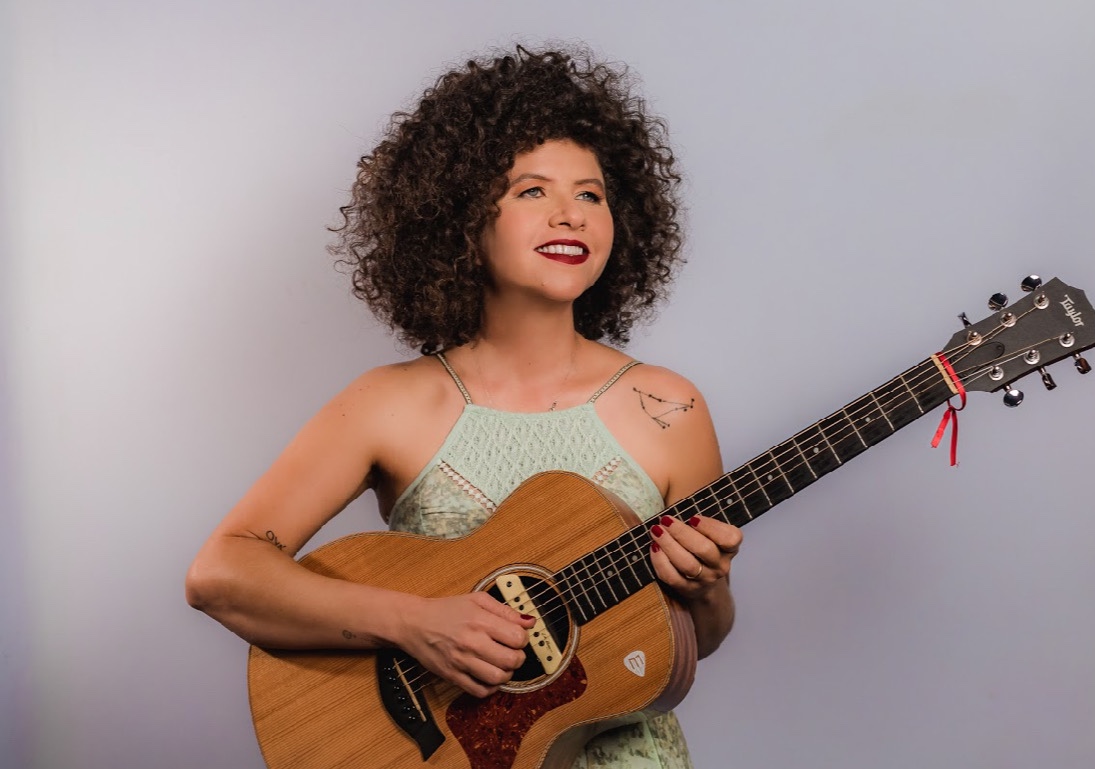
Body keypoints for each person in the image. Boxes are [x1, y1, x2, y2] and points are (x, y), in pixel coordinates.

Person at [185, 45, 743, 769]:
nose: (570, 215)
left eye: (592, 195)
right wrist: (414, 622)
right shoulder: (389, 403)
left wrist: (709, 588)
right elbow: (222, 572)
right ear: (462, 218)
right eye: (532, 191)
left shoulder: (670, 405)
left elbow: (698, 639)